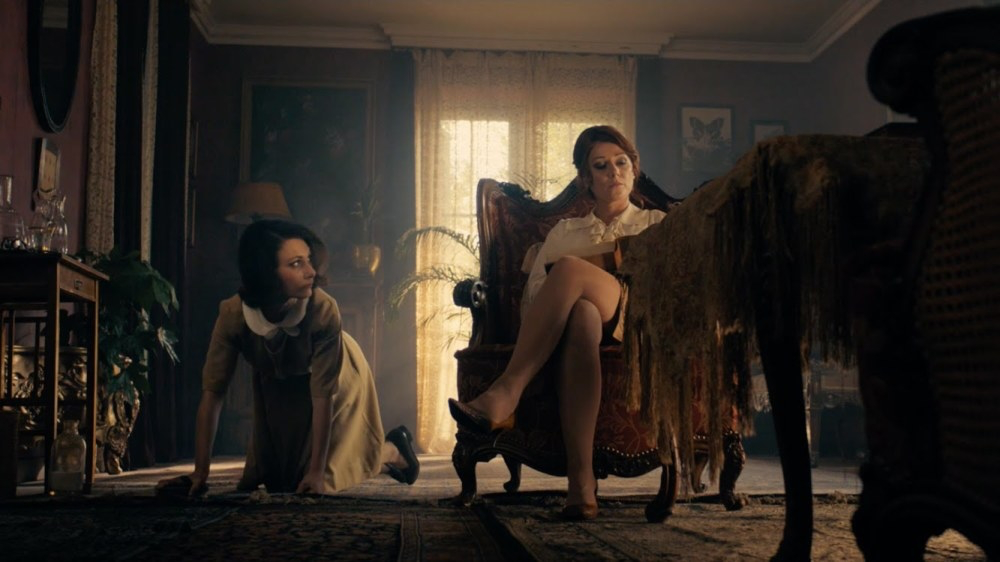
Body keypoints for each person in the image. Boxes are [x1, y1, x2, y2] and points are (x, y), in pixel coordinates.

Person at [448, 125, 666, 520]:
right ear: (586, 179)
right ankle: (581, 485)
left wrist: (591, 274)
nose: (613, 172)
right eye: (601, 166)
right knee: (581, 314)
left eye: (621, 163)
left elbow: (670, 291)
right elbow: (533, 299)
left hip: (635, 320)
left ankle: (507, 392)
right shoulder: (565, 231)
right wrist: (571, 294)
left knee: (568, 269)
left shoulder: (656, 224)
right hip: (575, 329)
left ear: (634, 170)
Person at [157, 219, 418, 496]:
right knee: (282, 480)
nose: (311, 272)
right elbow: (213, 394)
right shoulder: (232, 315)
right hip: (279, 383)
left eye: (308, 260)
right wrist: (200, 472)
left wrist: (316, 473)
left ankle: (393, 450)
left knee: (328, 475)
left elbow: (323, 395)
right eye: (295, 264)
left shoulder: (323, 310)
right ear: (265, 273)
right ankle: (386, 451)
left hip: (338, 373)